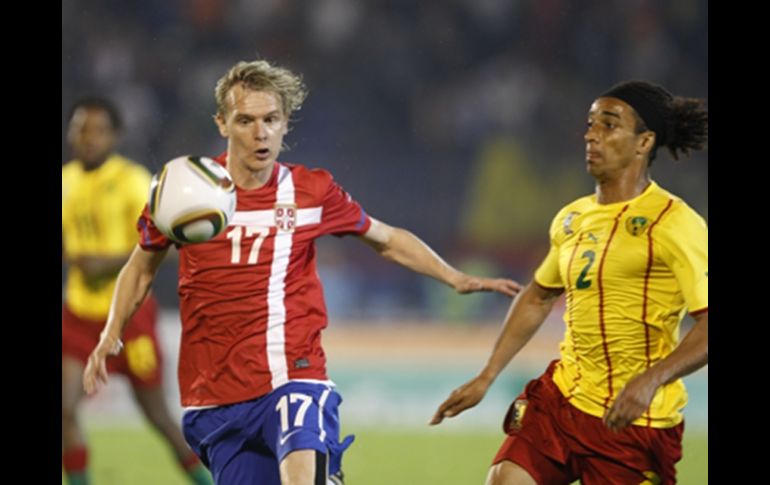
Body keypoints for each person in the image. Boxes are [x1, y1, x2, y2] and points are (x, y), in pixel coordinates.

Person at [82, 60, 522, 485]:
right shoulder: (184, 191)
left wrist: (455, 278)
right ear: (221, 123)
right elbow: (140, 268)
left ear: (286, 123)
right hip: (215, 394)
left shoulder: (311, 191)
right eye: (246, 120)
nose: (261, 133)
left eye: (271, 119)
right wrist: (110, 334)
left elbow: (385, 239)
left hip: (294, 374)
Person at [431, 80, 708, 485]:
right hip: (561, 401)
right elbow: (539, 296)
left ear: (643, 141)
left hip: (632, 421)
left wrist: (651, 379)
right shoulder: (571, 217)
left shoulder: (675, 223)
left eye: (609, 124)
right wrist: (487, 375)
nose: (591, 134)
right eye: (591, 123)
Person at [62, 97, 213, 485]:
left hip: (132, 318)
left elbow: (167, 245)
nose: (88, 138)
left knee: (160, 419)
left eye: (97, 130)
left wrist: (105, 263)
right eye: (81, 129)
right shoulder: (65, 182)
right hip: (78, 315)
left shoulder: (133, 181)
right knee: (63, 409)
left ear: (115, 136)